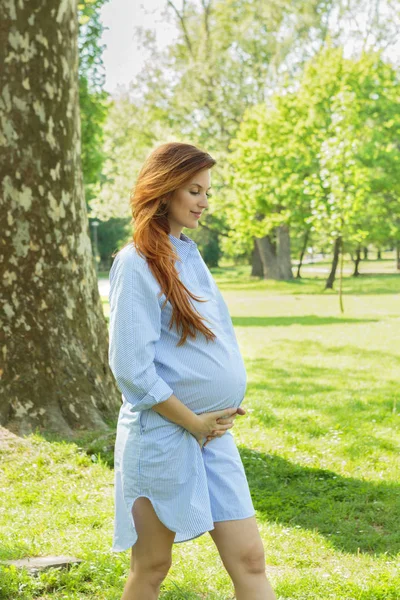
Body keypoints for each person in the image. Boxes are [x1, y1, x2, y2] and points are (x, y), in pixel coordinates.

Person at [108, 142, 277, 600]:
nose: (204, 202)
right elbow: (131, 369)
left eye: (207, 192)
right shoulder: (135, 262)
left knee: (250, 559)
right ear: (164, 193)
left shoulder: (189, 253)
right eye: (194, 190)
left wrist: (215, 407)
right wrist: (194, 420)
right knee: (152, 566)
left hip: (213, 435)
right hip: (162, 436)